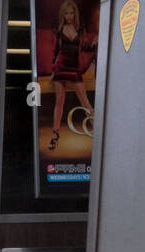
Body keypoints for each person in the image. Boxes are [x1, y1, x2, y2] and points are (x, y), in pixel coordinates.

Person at [48, 0, 94, 151]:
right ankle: (55, 135)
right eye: (66, 13)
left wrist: (96, 41)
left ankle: (97, 130)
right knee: (59, 102)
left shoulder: (81, 29)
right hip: (61, 67)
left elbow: (85, 46)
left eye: (71, 13)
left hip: (74, 68)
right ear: (63, 14)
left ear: (75, 14)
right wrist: (53, 71)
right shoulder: (59, 30)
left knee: (85, 102)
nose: (69, 16)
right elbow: (55, 52)